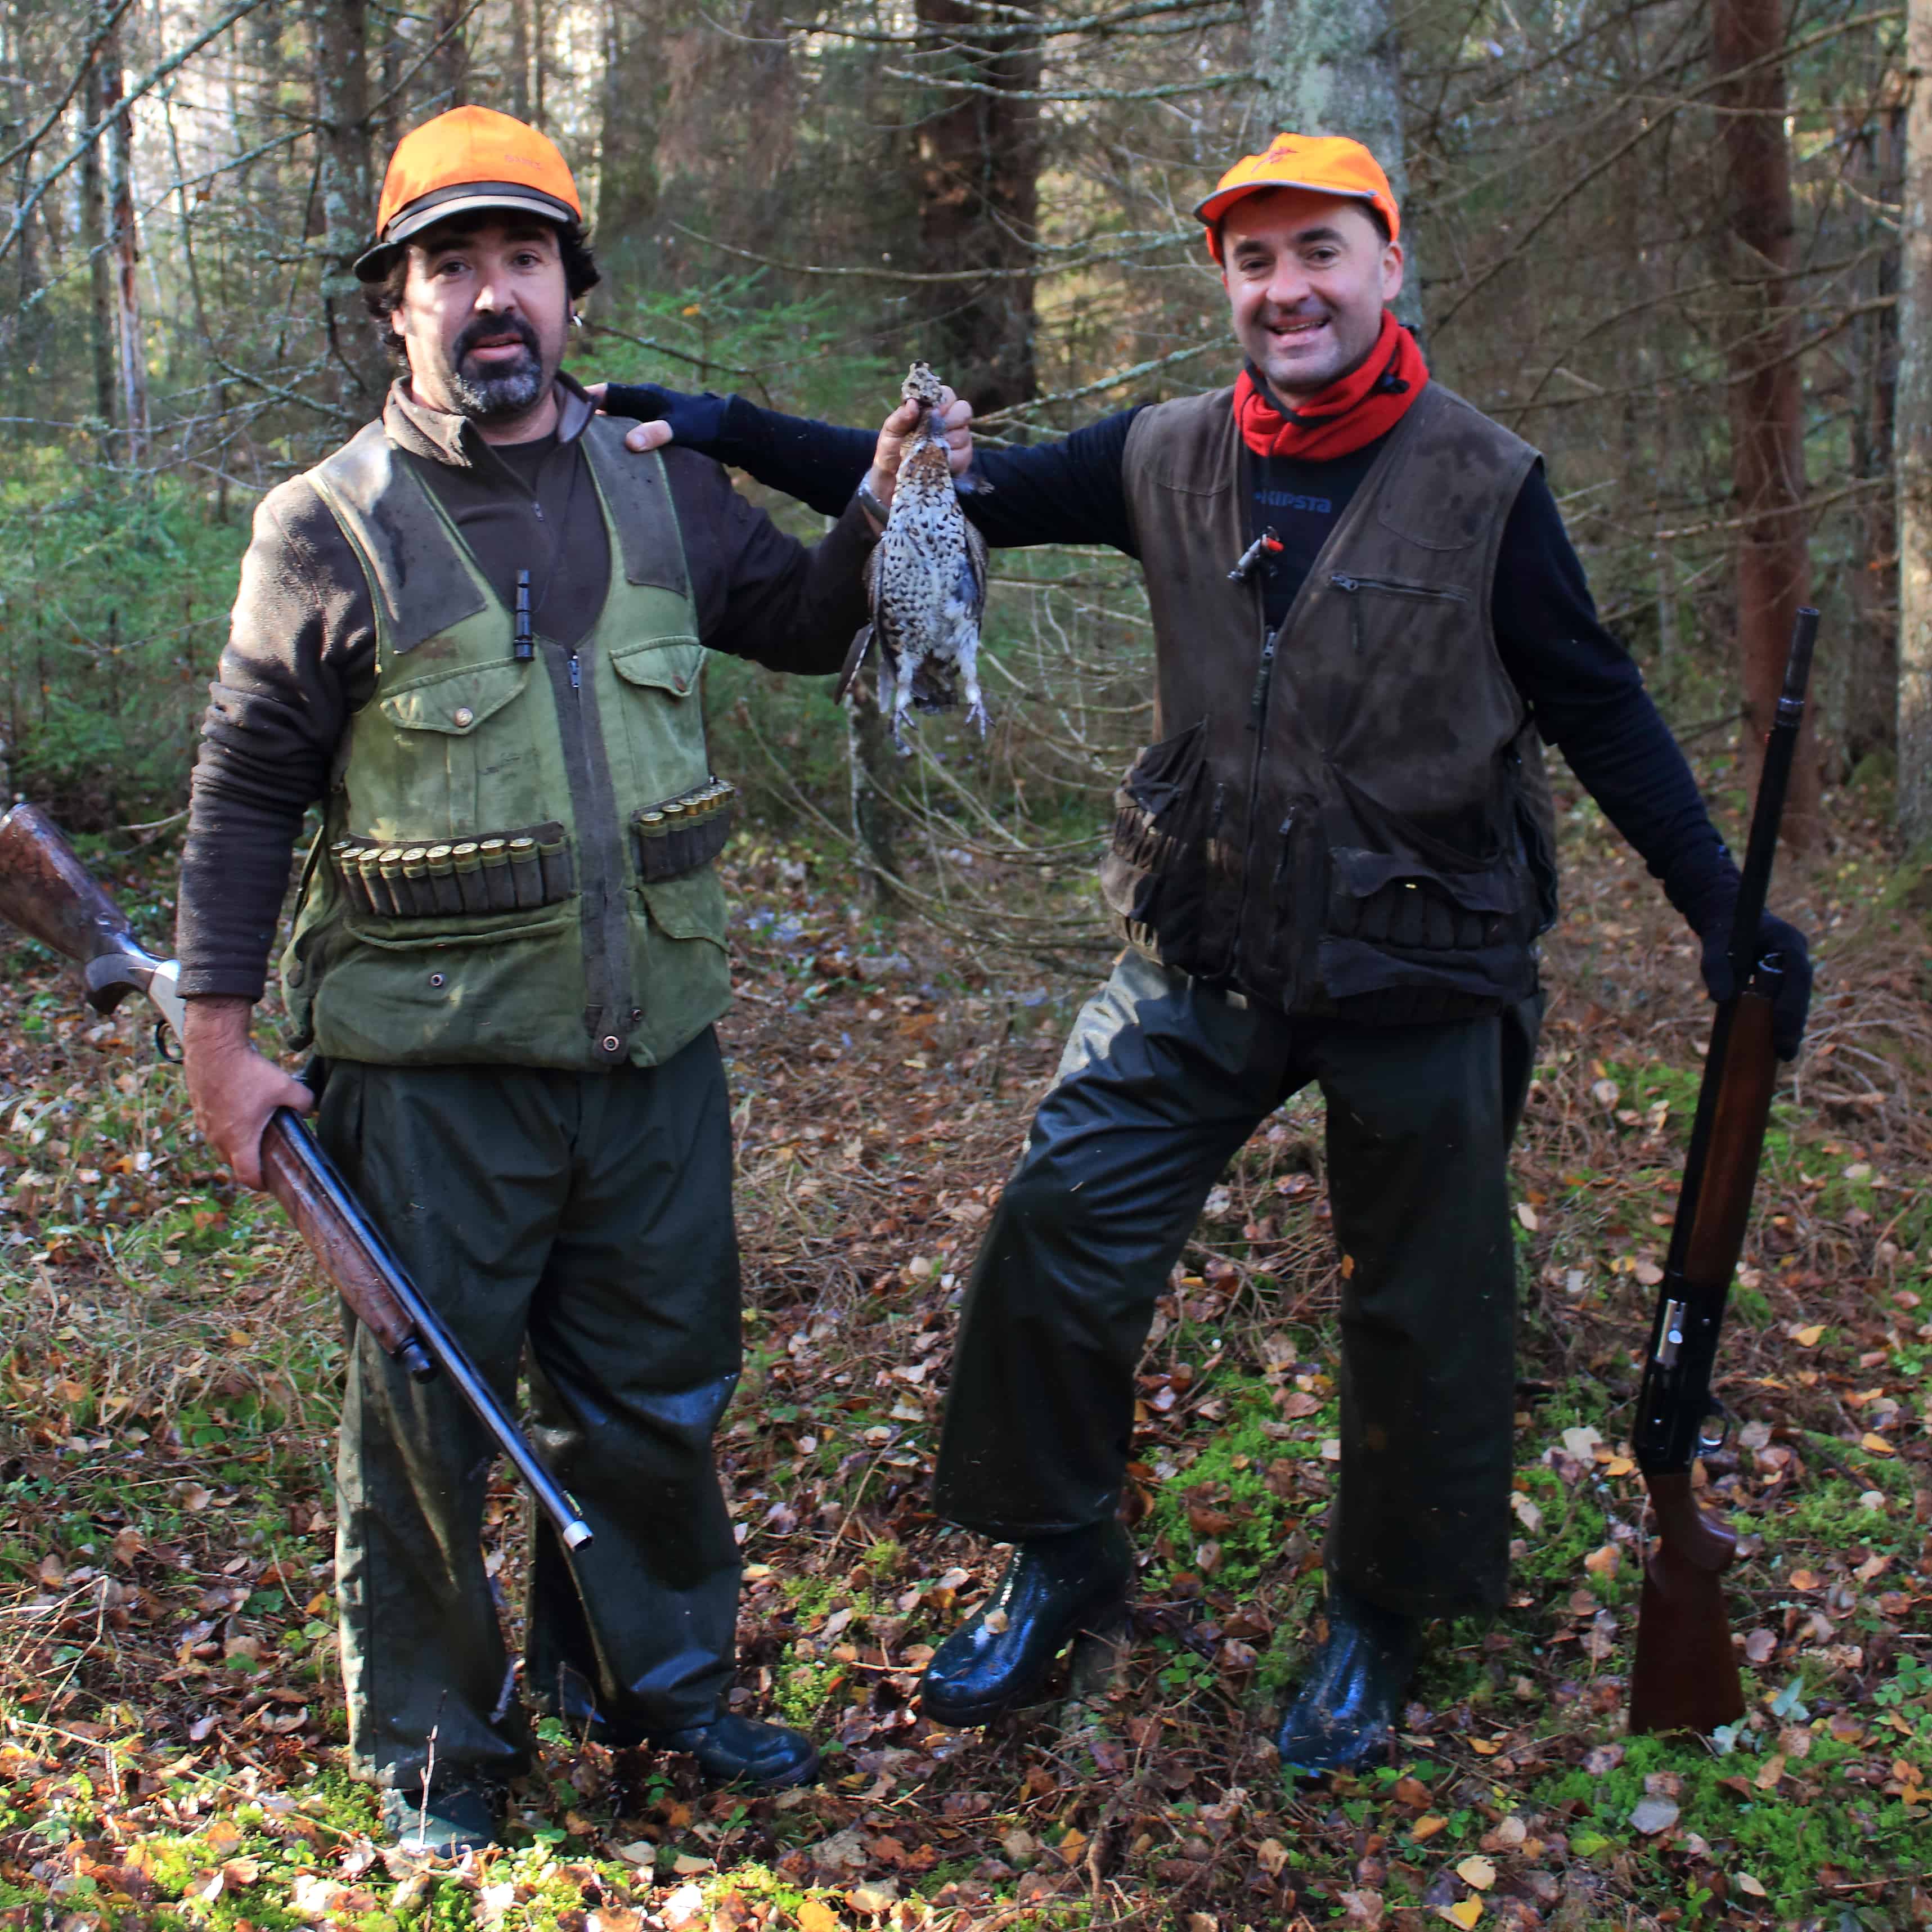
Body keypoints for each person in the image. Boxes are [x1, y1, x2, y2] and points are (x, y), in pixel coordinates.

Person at [595, 131, 1813, 1774]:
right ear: (1227, 286)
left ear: (1386, 266)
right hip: (1206, 943)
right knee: (1059, 1221)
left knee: (1423, 1303)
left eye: (1318, 252)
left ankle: (1381, 1614)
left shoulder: (1485, 482)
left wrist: (1721, 908)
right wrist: (726, 426)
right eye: (1254, 262)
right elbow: (940, 491)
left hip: (1423, 961)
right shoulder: (1164, 450)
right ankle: (1061, 1555)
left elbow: (1596, 702)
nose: (1286, 289)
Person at [175, 105, 934, 1849]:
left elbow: (801, 625)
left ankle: (657, 1693)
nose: (491, 295)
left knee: (657, 1395)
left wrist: (881, 509)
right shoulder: (326, 524)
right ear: (397, 305)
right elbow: (244, 792)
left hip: (652, 1054)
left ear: (571, 293)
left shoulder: (660, 481)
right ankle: (439, 1753)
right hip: (429, 1073)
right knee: (426, 1418)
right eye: (451, 266)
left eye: (522, 258)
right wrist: (217, 1040)